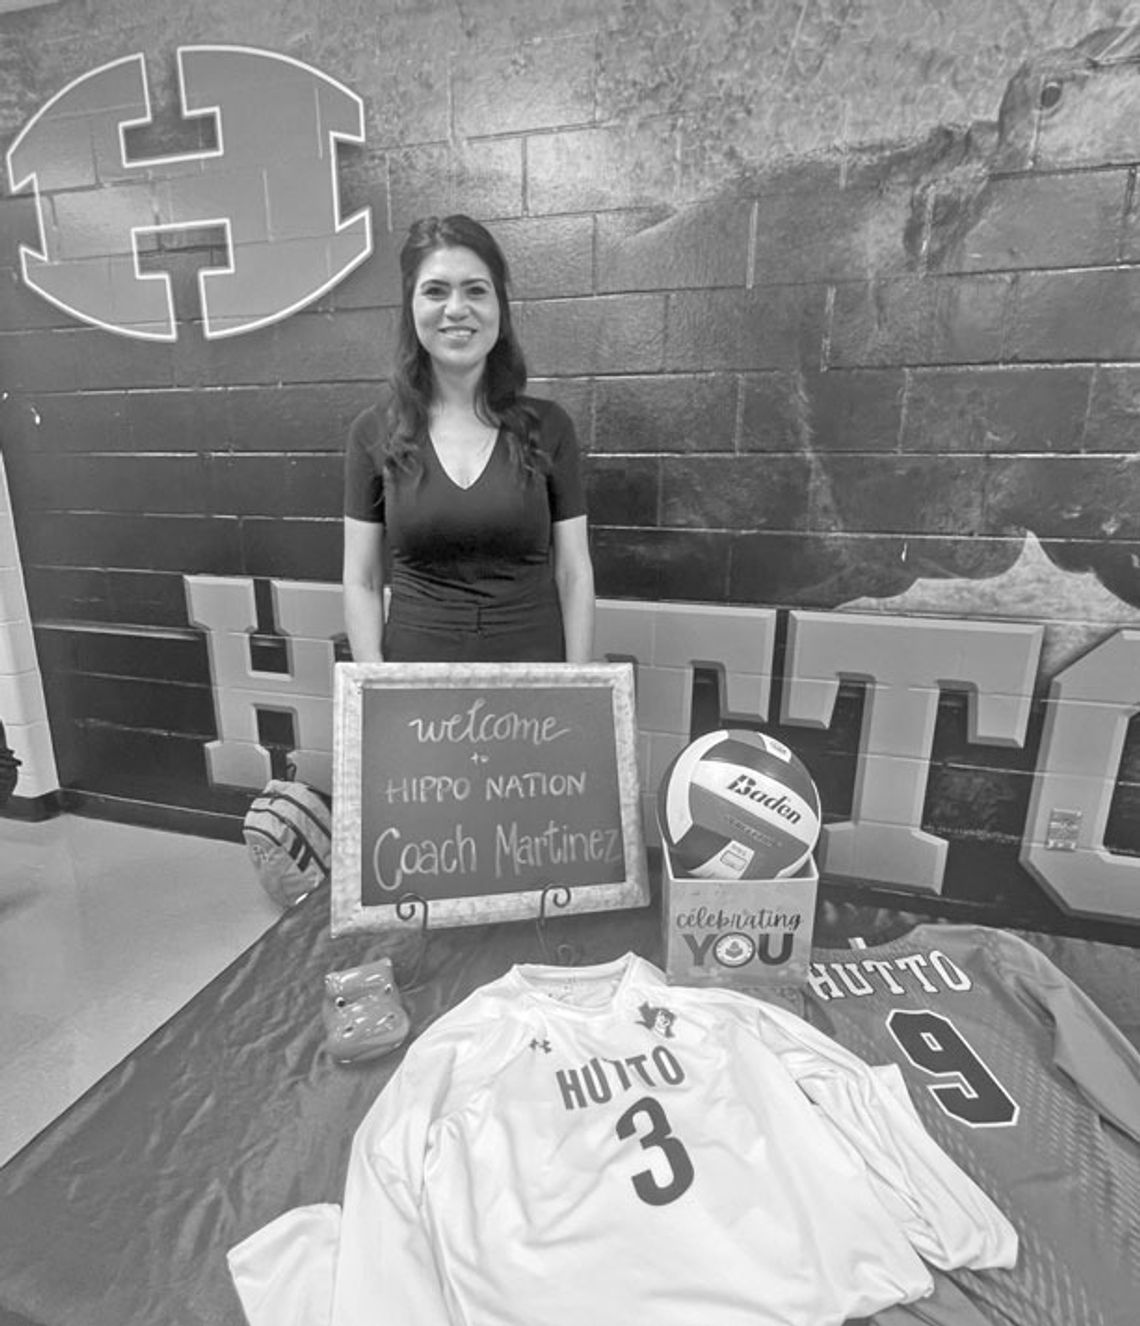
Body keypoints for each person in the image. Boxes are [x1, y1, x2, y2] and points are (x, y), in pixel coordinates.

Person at [342, 214, 595, 665]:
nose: (456, 308)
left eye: (476, 290)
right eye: (436, 290)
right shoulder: (372, 432)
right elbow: (361, 578)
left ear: (499, 307)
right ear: (411, 306)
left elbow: (574, 572)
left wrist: (575, 688)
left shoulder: (550, 427)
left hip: (534, 684)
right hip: (415, 689)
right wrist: (373, 686)